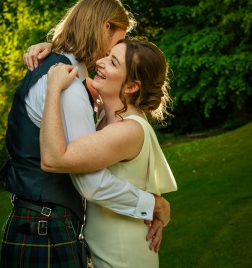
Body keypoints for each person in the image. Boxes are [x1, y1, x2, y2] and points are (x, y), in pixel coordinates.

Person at [0, 0, 170, 268]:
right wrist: (152, 205)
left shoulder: (62, 73)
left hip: (40, 221)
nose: (105, 56)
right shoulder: (67, 86)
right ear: (105, 28)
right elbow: (89, 181)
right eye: (114, 45)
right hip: (46, 225)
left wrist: (50, 46)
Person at [41, 38, 177, 268]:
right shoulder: (107, 111)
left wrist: (53, 88)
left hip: (125, 254)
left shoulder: (129, 130)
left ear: (131, 86)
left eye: (112, 62)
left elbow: (54, 159)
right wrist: (43, 48)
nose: (100, 62)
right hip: (106, 249)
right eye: (107, 55)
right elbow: (74, 62)